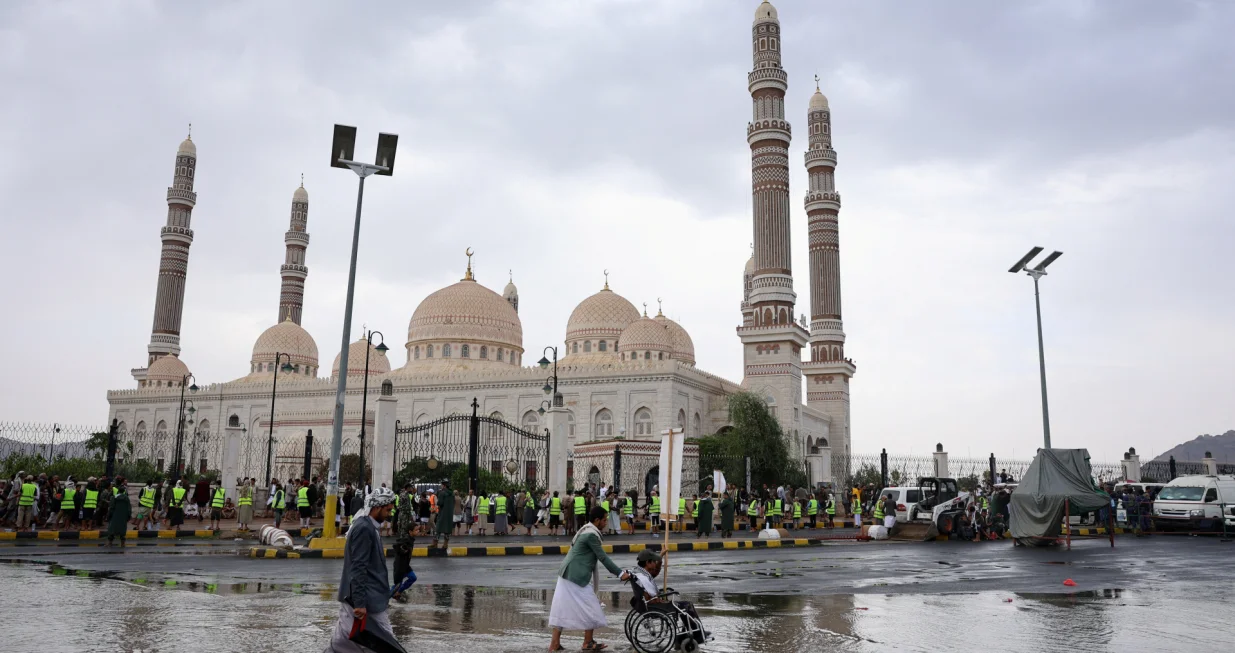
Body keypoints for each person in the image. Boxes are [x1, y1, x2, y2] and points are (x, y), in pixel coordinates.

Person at [326, 487, 401, 652]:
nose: (390, 513)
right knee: (388, 645)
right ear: (377, 507)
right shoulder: (364, 528)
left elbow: (373, 568)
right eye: (388, 509)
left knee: (341, 643)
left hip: (363, 597)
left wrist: (387, 591)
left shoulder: (369, 526)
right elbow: (358, 567)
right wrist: (360, 603)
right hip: (365, 601)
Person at [547, 506, 631, 652]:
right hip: (575, 576)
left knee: (561, 610)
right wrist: (619, 573)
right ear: (597, 520)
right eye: (604, 520)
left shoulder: (587, 531)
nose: (606, 523)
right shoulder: (591, 535)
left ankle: (555, 644)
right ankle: (587, 642)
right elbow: (602, 557)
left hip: (568, 574)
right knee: (592, 607)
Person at [630, 549, 706, 638]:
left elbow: (654, 572)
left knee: (683, 606)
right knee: (687, 605)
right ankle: (698, 634)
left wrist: (660, 556)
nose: (655, 564)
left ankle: (688, 632)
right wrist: (662, 600)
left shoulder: (639, 572)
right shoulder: (643, 577)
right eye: (654, 561)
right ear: (648, 562)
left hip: (648, 604)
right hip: (654, 606)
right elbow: (652, 595)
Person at [393, 484, 417, 604]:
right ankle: (384, 598)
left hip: (403, 517)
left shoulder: (403, 495)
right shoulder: (405, 495)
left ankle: (396, 593)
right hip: (401, 566)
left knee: (407, 580)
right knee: (397, 584)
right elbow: (406, 508)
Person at [106, 477, 131, 548]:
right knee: (122, 530)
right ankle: (123, 543)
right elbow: (129, 508)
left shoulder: (114, 498)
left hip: (114, 516)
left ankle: (110, 543)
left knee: (112, 529)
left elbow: (111, 508)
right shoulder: (126, 498)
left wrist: (109, 516)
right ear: (124, 491)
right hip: (123, 517)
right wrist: (128, 516)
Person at [432, 480, 455, 549]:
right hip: (449, 514)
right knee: (447, 529)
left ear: (444, 486)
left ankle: (435, 544)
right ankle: (445, 544)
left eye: (441, 485)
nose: (441, 486)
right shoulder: (452, 494)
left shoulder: (442, 493)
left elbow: (440, 503)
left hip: (442, 513)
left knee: (438, 529)